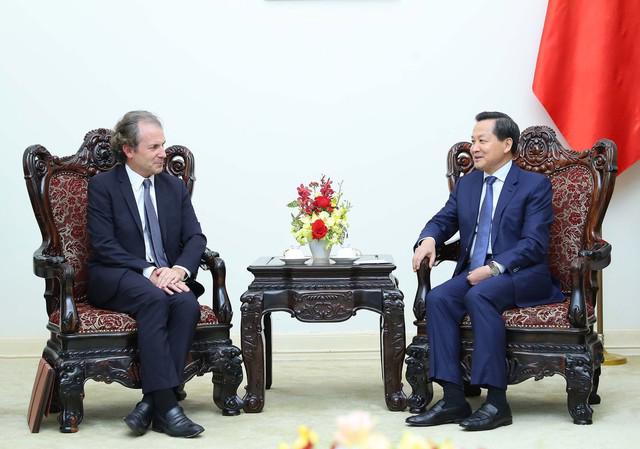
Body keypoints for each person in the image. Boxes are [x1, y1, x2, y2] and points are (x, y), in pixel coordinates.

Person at [405, 111, 563, 431]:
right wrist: (429, 239)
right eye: (473, 140)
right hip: (475, 272)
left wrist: (493, 268)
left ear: (506, 144)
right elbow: (444, 218)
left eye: (482, 140)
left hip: (521, 273)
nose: (473, 147)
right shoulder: (469, 183)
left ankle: (496, 403)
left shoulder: (534, 185)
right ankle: (452, 399)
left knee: (480, 296)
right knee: (438, 299)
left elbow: (534, 244)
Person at [87, 111, 206, 438]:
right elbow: (104, 245)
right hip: (117, 274)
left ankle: (152, 403)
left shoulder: (173, 187)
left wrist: (178, 270)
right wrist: (150, 270)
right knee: (154, 298)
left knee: (186, 303)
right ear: (128, 149)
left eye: (163, 145)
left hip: (165, 275)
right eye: (153, 146)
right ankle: (168, 407)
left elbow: (196, 237)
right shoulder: (103, 186)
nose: (162, 153)